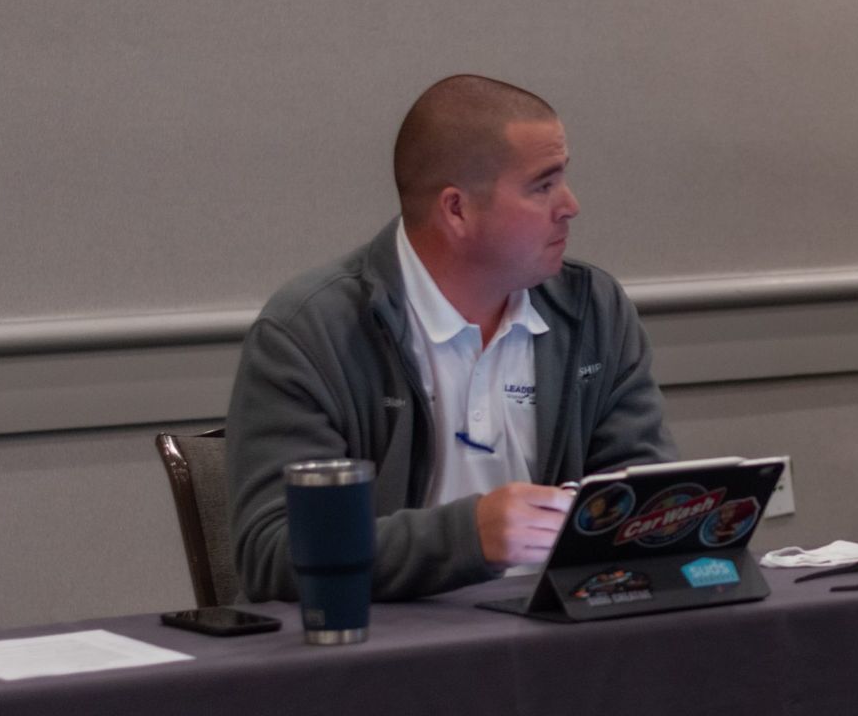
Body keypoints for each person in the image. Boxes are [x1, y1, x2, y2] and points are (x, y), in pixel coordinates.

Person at [227, 74, 677, 601]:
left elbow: (650, 497)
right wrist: (469, 538)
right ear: (457, 210)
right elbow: (273, 553)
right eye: (542, 185)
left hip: (563, 640)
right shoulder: (312, 331)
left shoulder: (592, 309)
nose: (570, 205)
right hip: (380, 654)